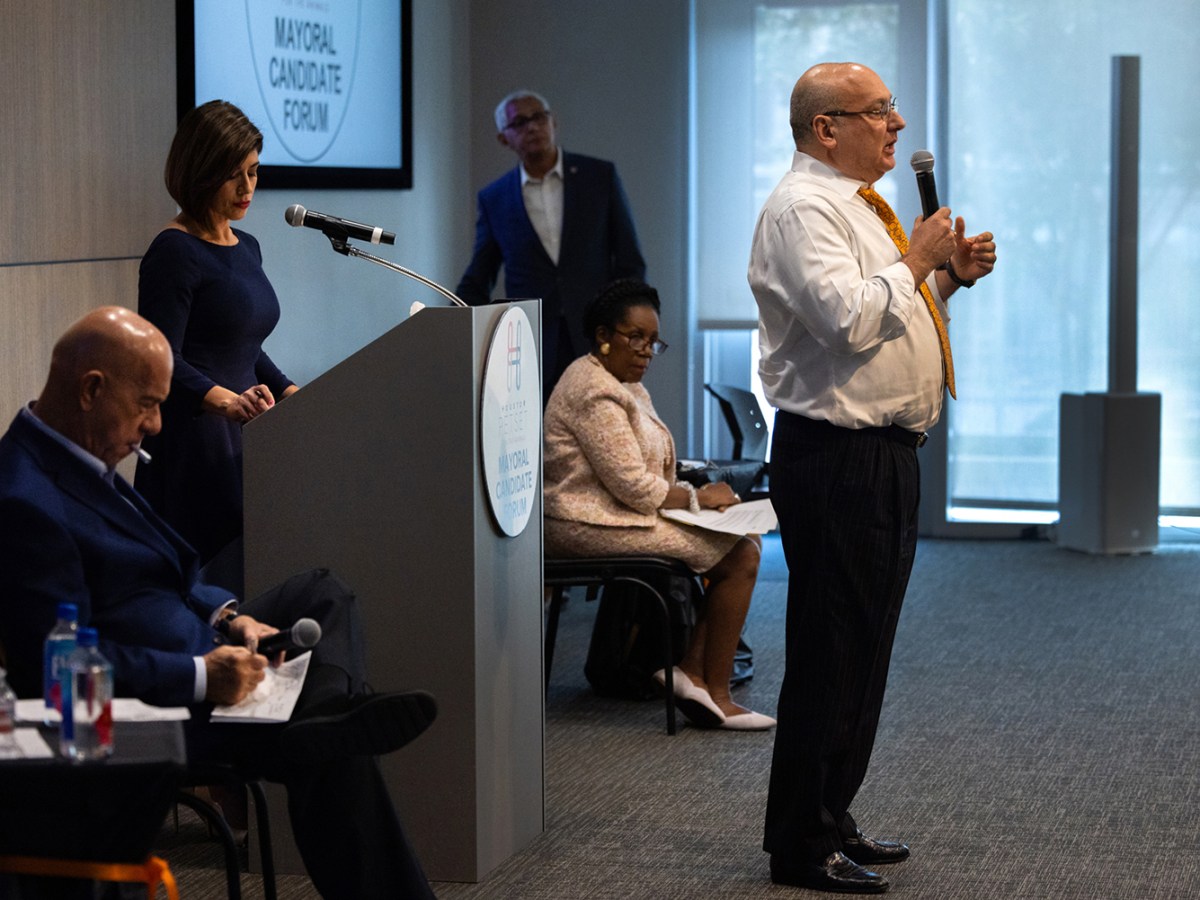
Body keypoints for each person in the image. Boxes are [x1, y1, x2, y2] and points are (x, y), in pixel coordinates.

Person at [0, 306, 438, 899]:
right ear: (92, 390)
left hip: (201, 643)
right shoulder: (24, 498)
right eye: (147, 404)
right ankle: (316, 724)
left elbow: (170, 571)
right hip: (153, 708)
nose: (156, 424)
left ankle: (317, 716)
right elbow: (56, 666)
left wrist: (228, 616)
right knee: (339, 756)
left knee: (322, 591)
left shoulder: (79, 453)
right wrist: (203, 676)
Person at [748, 63, 997, 893]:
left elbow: (894, 317)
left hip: (883, 454)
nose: (897, 125)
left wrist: (946, 275)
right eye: (879, 111)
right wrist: (918, 256)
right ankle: (800, 843)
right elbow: (851, 322)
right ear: (827, 128)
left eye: (893, 110)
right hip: (836, 457)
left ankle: (831, 815)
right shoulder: (802, 209)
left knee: (863, 647)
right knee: (832, 650)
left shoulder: (855, 206)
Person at [543, 279, 773, 731]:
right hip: (581, 522)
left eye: (653, 341)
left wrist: (693, 499)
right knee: (741, 555)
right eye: (636, 338)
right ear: (603, 335)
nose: (647, 351)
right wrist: (697, 498)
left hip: (614, 513)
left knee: (743, 539)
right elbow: (633, 486)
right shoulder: (593, 388)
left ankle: (693, 674)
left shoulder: (625, 383)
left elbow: (648, 473)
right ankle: (716, 693)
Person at [135, 99, 298, 574]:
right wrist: (225, 401)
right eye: (233, 175)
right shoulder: (174, 251)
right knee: (209, 582)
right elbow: (161, 359)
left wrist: (292, 392)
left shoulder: (248, 247)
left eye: (254, 172)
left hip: (247, 434)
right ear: (202, 173)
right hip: (196, 443)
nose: (248, 188)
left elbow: (245, 346)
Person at [455, 90, 647, 401]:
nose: (532, 127)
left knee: (603, 421)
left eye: (538, 117)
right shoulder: (495, 198)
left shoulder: (598, 177)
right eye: (519, 123)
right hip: (532, 344)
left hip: (597, 336)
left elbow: (629, 261)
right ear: (504, 139)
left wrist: (629, 329)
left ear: (553, 121)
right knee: (542, 429)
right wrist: (448, 322)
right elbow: (480, 275)